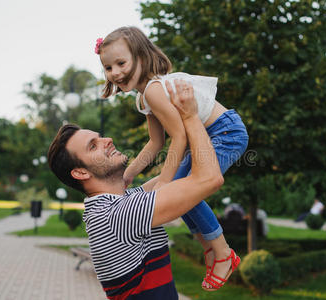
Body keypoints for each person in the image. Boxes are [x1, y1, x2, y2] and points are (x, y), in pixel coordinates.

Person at [47, 80, 240, 299]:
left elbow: (182, 178)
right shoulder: (118, 215)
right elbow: (209, 178)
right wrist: (190, 116)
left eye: (100, 137)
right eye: (93, 145)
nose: (107, 140)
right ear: (81, 173)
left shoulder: (115, 206)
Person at [95, 26, 249, 290]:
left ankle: (223, 253)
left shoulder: (155, 89)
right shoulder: (145, 98)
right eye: (108, 68)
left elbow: (179, 137)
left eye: (121, 63)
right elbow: (156, 143)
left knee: (184, 188)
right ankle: (210, 249)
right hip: (207, 136)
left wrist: (166, 183)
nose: (116, 72)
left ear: (141, 57)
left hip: (226, 133)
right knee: (181, 190)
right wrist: (128, 174)